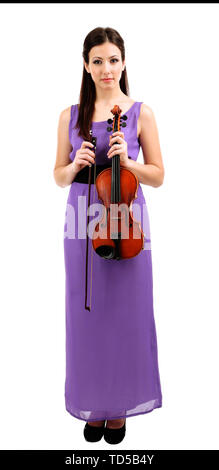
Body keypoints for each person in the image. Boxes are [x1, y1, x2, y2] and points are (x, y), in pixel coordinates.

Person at [53, 26, 165, 445]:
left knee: (124, 317)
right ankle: (93, 402)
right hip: (82, 220)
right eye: (97, 61)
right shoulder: (70, 115)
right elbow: (58, 175)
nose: (106, 69)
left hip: (127, 222)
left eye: (113, 60)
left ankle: (118, 408)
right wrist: (75, 163)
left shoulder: (140, 113)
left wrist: (129, 164)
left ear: (124, 62)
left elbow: (158, 175)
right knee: (87, 318)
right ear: (86, 65)